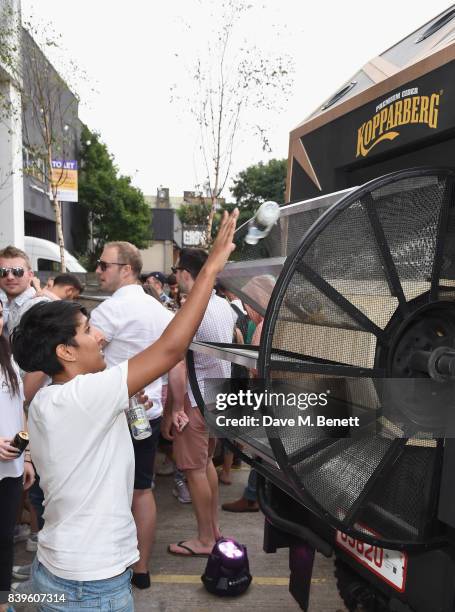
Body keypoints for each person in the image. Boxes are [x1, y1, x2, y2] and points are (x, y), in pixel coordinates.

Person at [10, 209, 238, 611]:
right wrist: (211, 268)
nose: (98, 339)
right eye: (86, 333)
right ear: (64, 352)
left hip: (52, 572)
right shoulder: (86, 396)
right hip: (91, 587)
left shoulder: (50, 398)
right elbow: (170, 348)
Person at [89, 243, 186, 589]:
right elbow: (176, 362)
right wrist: (176, 408)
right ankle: (141, 568)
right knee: (142, 490)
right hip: (149, 413)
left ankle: (109, 567)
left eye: (103, 265)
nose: (98, 271)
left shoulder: (108, 312)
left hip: (113, 413)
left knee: (107, 491)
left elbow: (87, 362)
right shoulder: (160, 310)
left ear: (126, 269)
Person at [168, 249, 237, 557]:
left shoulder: (192, 309)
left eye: (177, 271)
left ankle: (205, 539)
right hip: (218, 394)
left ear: (186, 273)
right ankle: (213, 530)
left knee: (194, 470)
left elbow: (177, 362)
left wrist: (176, 408)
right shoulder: (223, 304)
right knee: (205, 464)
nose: (176, 277)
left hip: (195, 400)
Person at [0, 298, 35, 612]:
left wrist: (25, 458)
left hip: (9, 469)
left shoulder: (8, 359)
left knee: (4, 539)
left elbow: (19, 409)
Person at [0, 246, 36, 335]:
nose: (10, 277)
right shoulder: (5, 305)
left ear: (30, 275)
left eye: (17, 271)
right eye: (3, 272)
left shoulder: (38, 306)